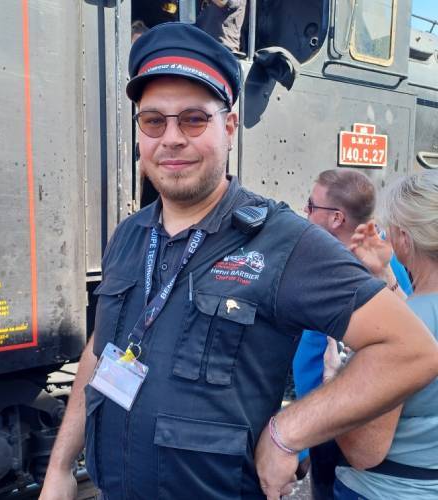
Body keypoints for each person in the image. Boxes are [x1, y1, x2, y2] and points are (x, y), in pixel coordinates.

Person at [38, 23, 438, 500]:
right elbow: (101, 352)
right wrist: (60, 469)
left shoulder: (284, 240)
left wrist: (289, 430)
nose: (171, 139)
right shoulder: (129, 236)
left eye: (193, 119)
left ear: (228, 127)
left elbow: (410, 350)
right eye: (153, 121)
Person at [291, 169, 413, 499]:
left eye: (310, 205)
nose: (305, 212)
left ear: (336, 218)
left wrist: (300, 445)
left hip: (335, 427)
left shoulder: (333, 276)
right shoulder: (390, 264)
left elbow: (315, 366)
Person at [330, 171, 438, 499]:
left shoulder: (395, 333)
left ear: (404, 237)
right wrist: (383, 272)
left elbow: (364, 452)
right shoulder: (418, 317)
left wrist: (337, 380)